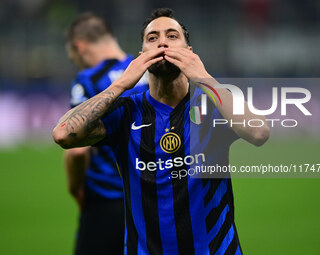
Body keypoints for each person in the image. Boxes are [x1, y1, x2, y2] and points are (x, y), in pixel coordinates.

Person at [54, 8, 270, 255]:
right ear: (141, 56)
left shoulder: (213, 107)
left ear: (189, 53)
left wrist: (204, 78)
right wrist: (122, 83)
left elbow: (259, 133)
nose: (162, 42)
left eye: (172, 36)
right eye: (153, 38)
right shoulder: (126, 112)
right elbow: (63, 134)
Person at [64, 13, 148, 255]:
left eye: (73, 58)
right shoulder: (149, 74)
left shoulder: (89, 80)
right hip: (150, 201)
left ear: (79, 47)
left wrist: (75, 189)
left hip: (107, 202)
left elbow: (78, 150)